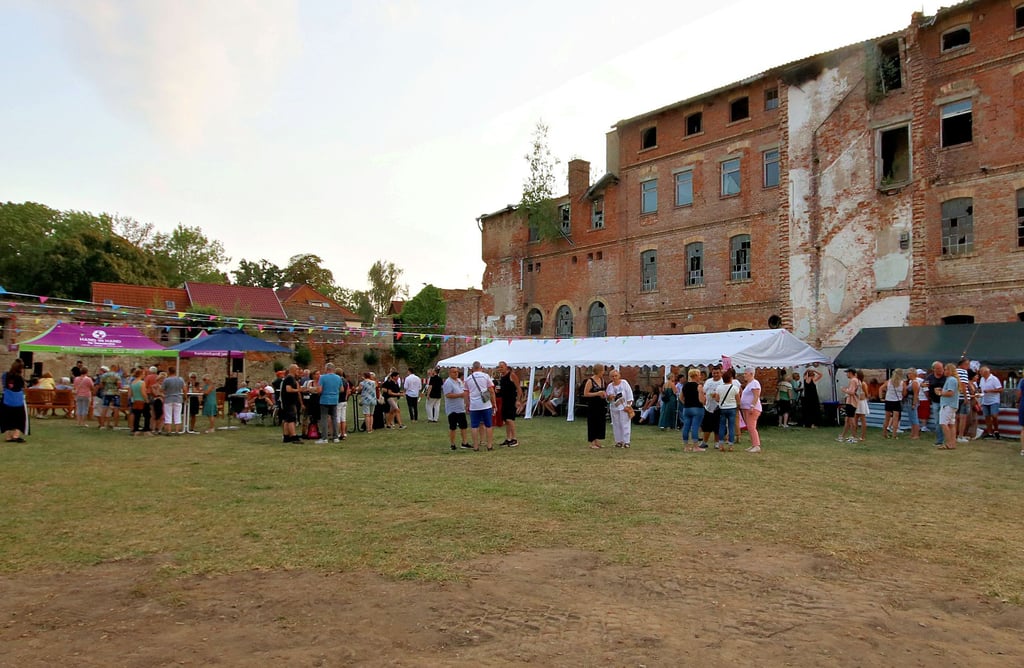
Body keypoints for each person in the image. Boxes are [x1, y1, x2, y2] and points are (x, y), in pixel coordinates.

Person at [464, 361, 496, 451]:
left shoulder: (468, 379)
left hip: (474, 405)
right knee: (488, 425)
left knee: (474, 426)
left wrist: (467, 404)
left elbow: (466, 393)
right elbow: (491, 390)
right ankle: (489, 445)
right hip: (485, 404)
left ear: (472, 368)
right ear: (481, 367)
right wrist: (494, 403)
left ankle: (475, 446)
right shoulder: (485, 376)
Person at [442, 367, 469, 450]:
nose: (456, 373)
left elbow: (464, 392)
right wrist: (459, 395)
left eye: (457, 372)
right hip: (452, 409)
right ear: (450, 373)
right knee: (453, 427)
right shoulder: (448, 382)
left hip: (461, 408)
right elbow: (448, 395)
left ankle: (464, 442)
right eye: (454, 372)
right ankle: (452, 444)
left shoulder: (459, 381)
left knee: (463, 426)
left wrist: (466, 402)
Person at [606, 368, 634, 448]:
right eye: (612, 376)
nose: (614, 377)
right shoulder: (610, 386)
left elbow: (629, 394)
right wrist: (610, 397)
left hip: (624, 407)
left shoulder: (624, 383)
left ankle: (626, 442)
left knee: (625, 424)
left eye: (616, 376)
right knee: (616, 424)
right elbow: (607, 398)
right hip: (614, 407)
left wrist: (628, 405)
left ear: (619, 376)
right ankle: (618, 441)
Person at [679, 367, 705, 451]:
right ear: (696, 376)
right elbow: (701, 400)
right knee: (695, 427)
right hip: (697, 408)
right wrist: (704, 400)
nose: (700, 376)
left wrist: (686, 403)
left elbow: (681, 397)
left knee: (686, 426)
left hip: (687, 408)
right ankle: (696, 446)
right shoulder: (699, 386)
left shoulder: (685, 386)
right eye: (699, 375)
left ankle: (686, 446)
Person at [2, 359, 28, 442]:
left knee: (6, 418)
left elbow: (4, 385)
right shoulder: (20, 378)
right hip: (18, 400)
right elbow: (22, 387)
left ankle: (8, 436)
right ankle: (16, 435)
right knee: (20, 418)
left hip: (7, 399)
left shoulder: (5, 375)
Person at [496, 361, 522, 447]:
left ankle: (514, 438)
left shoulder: (511, 375)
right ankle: (508, 438)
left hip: (511, 400)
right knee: (506, 420)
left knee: (510, 419)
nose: (500, 369)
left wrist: (518, 400)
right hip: (504, 400)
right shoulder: (502, 376)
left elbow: (519, 389)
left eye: (502, 367)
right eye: (499, 367)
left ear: (506, 367)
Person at [582, 363, 608, 449]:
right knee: (593, 422)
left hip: (601, 404)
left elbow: (603, 390)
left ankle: (597, 441)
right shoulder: (590, 381)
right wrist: (597, 393)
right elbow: (585, 394)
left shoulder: (602, 380)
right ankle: (592, 442)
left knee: (600, 422)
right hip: (593, 405)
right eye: (603, 370)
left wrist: (604, 394)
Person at [715, 368, 740, 451]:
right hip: (732, 408)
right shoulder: (735, 388)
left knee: (722, 426)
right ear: (731, 379)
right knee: (731, 427)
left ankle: (721, 444)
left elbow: (717, 399)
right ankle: (731, 445)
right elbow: (738, 400)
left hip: (722, 408)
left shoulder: (719, 387)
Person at [316, 362, 342, 444]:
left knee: (324, 418)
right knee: (334, 418)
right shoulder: (338, 378)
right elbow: (341, 389)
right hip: (334, 399)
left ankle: (324, 438)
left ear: (326, 369)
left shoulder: (322, 377)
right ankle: (335, 437)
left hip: (325, 399)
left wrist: (318, 392)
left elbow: (319, 390)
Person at [937, 362, 960, 449]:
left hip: (948, 404)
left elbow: (950, 393)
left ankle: (949, 443)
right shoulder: (952, 380)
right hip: (952, 404)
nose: (944, 371)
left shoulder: (951, 380)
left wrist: (940, 393)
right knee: (951, 424)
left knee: (944, 423)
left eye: (946, 369)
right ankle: (952, 443)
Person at [739, 367, 763, 453]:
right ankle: (753, 444)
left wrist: (752, 406)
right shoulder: (749, 384)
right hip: (746, 408)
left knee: (751, 427)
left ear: (751, 374)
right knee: (749, 427)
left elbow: (756, 396)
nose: (744, 375)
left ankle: (756, 445)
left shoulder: (755, 383)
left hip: (752, 408)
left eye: (746, 374)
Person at [977, 366, 1002, 440]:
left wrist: (990, 390)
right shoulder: (982, 379)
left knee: (994, 416)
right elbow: (981, 388)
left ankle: (996, 431)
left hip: (994, 400)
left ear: (986, 372)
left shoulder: (994, 379)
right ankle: (989, 432)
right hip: (985, 400)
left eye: (981, 372)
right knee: (987, 417)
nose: (980, 373)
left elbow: (1000, 389)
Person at [700, 366, 722, 448]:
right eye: (714, 373)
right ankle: (704, 442)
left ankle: (717, 442)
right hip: (708, 406)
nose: (715, 374)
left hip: (718, 407)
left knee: (717, 426)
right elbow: (704, 391)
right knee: (706, 426)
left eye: (717, 373)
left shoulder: (722, 382)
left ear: (720, 373)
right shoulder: (708, 381)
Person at [280, 364, 303, 442]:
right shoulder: (290, 378)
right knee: (291, 419)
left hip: (288, 402)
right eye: (297, 369)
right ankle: (293, 435)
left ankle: (286, 436)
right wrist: (299, 390)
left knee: (287, 420)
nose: (298, 371)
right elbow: (288, 389)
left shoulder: (290, 378)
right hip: (289, 402)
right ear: (293, 369)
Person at [880, 369, 904, 440]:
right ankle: (894, 435)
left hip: (888, 400)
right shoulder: (902, 383)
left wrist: (881, 397)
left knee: (886, 418)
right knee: (895, 419)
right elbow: (904, 392)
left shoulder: (889, 381)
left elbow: (881, 388)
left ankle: (884, 434)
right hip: (897, 401)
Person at [161, 366, 186, 435]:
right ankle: (177, 431)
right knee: (177, 415)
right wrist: (185, 396)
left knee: (168, 415)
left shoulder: (166, 380)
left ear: (169, 372)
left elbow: (162, 389)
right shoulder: (180, 379)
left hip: (168, 398)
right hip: (178, 398)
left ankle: (169, 431)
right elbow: (184, 389)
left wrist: (164, 394)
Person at [838, 369, 860, 443]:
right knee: (847, 420)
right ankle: (843, 435)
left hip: (851, 402)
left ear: (850, 373)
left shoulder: (853, 380)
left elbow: (851, 392)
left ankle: (854, 437)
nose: (846, 374)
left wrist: (844, 390)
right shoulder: (856, 380)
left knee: (851, 420)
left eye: (847, 373)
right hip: (852, 402)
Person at [129, 368, 152, 437]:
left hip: (135, 401)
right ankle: (146, 430)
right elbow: (143, 393)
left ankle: (136, 430)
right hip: (142, 401)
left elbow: (130, 394)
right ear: (141, 374)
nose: (144, 375)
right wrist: (146, 400)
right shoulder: (142, 383)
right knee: (147, 416)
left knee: (137, 416)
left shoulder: (132, 383)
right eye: (144, 374)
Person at [97, 365, 122, 430]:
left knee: (104, 408)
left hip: (106, 392)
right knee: (116, 409)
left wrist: (106, 387)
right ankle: (115, 425)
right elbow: (119, 385)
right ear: (115, 368)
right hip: (115, 393)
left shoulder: (104, 375)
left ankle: (102, 425)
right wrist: (116, 387)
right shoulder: (117, 375)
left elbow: (101, 385)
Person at [903, 367, 921, 440]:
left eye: (910, 373)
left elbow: (916, 394)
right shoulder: (911, 382)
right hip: (908, 401)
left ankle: (916, 434)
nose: (908, 375)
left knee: (914, 418)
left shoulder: (915, 383)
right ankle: (913, 433)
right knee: (911, 418)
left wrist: (914, 404)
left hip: (912, 401)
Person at [854, 370, 869, 441]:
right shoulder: (856, 383)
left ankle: (863, 436)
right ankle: (854, 435)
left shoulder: (863, 383)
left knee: (862, 419)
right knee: (855, 418)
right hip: (857, 401)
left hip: (862, 402)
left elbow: (866, 393)